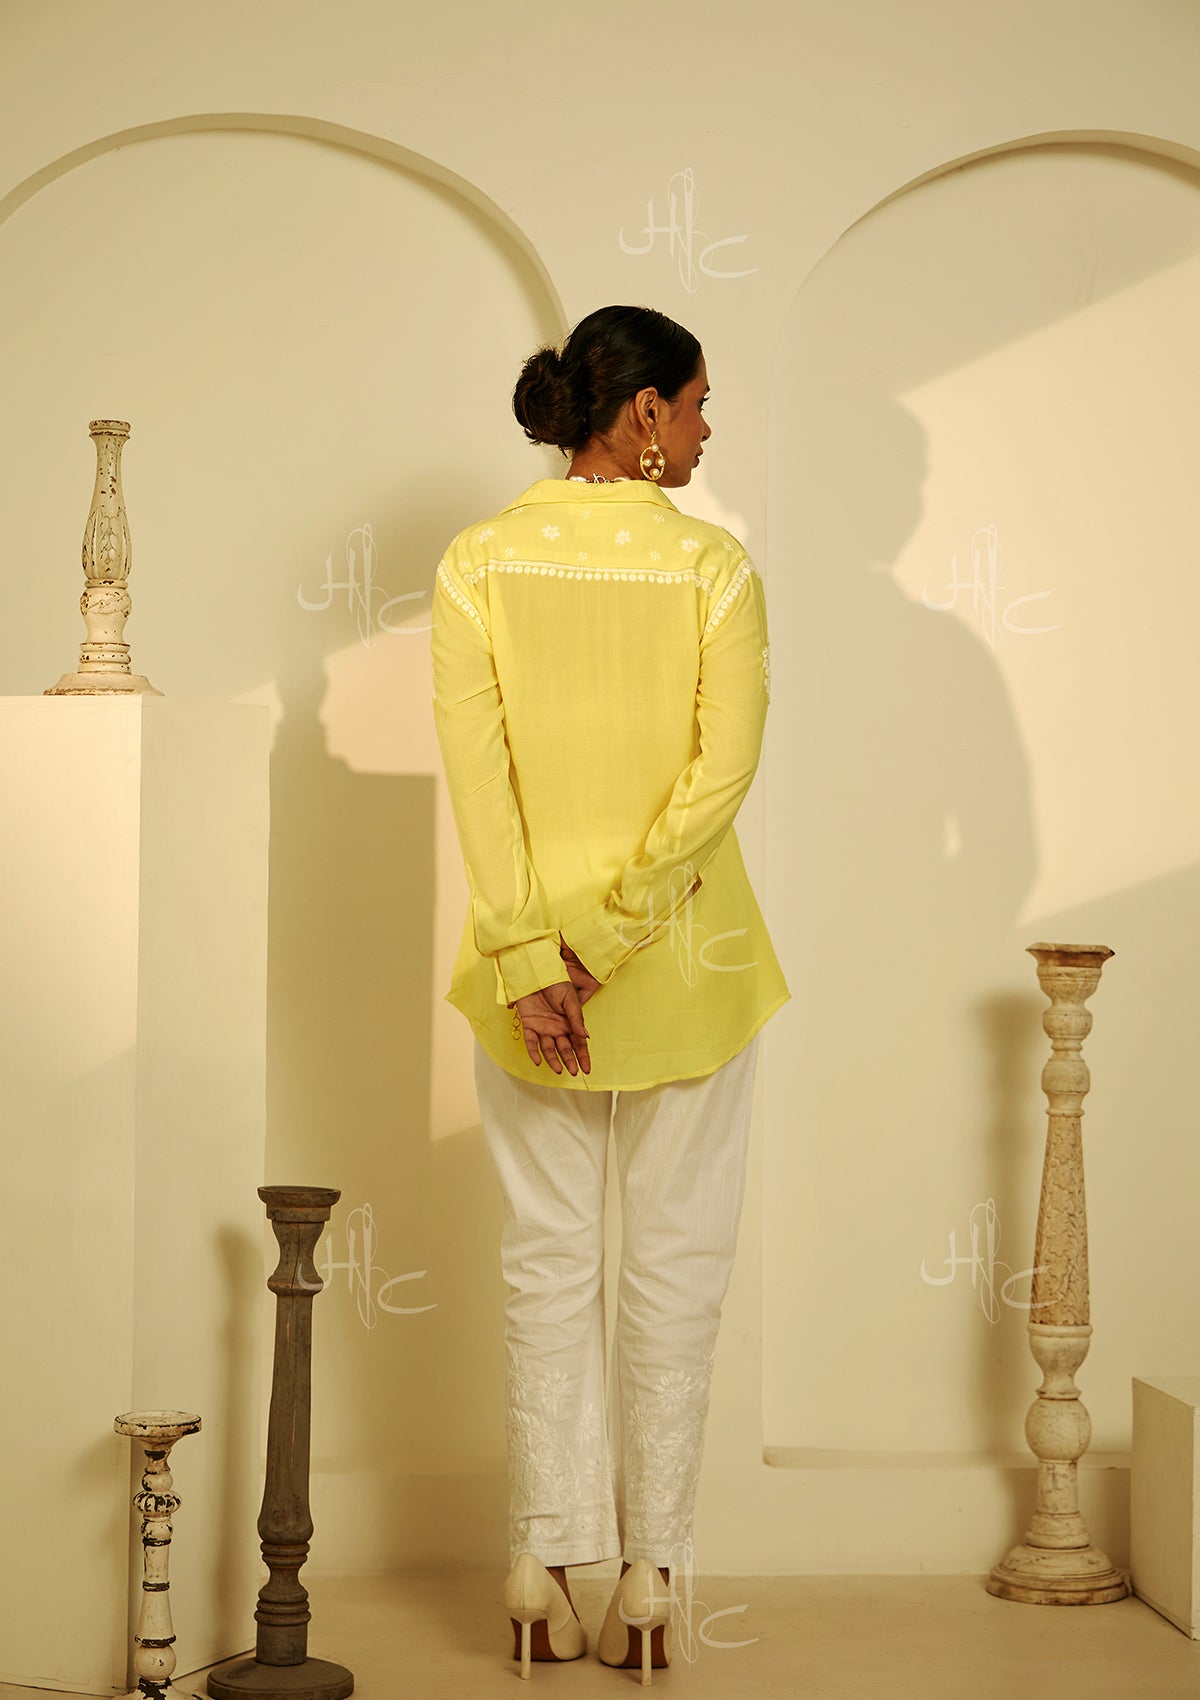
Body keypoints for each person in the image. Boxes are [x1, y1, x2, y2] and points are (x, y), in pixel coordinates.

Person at [430, 304, 790, 1681]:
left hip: (525, 986)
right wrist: (609, 942)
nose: (704, 430)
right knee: (676, 1266)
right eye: (696, 404)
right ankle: (648, 1577)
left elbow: (482, 787)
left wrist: (537, 960)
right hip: (689, 971)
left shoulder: (477, 563)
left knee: (545, 1262)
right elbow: (720, 777)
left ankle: (542, 1563)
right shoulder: (712, 570)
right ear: (643, 413)